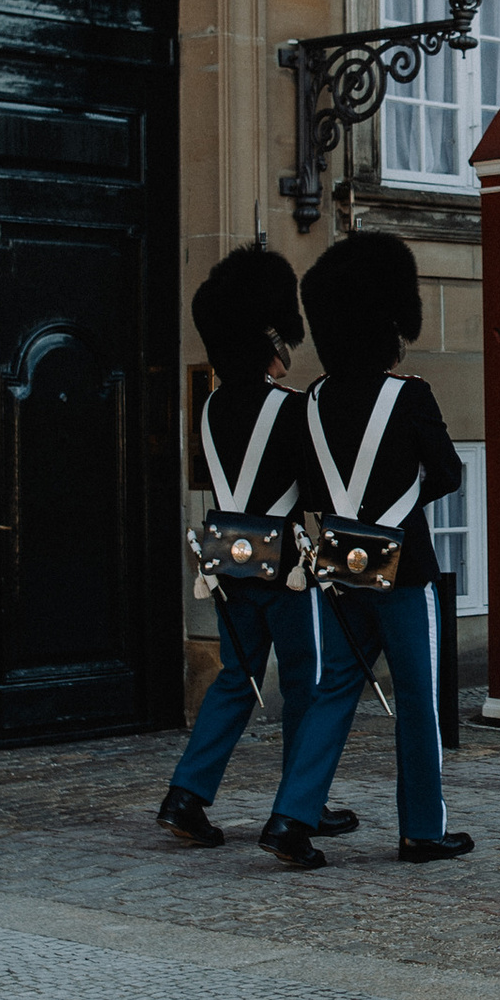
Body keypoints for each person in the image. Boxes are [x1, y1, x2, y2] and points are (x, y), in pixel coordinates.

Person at [260, 230, 471, 871]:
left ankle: (290, 817)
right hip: (403, 570)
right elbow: (449, 474)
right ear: (384, 327)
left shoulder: (312, 400)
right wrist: (398, 504)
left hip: (339, 566)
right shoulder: (408, 395)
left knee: (331, 691)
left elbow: (305, 480)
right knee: (418, 697)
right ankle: (422, 831)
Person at [156, 246, 357, 853]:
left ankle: (187, 795)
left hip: (227, 557)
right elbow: (321, 487)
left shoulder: (213, 407)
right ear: (269, 343)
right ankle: (303, 803)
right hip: (287, 566)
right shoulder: (294, 407)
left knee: (235, 678)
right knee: (309, 682)